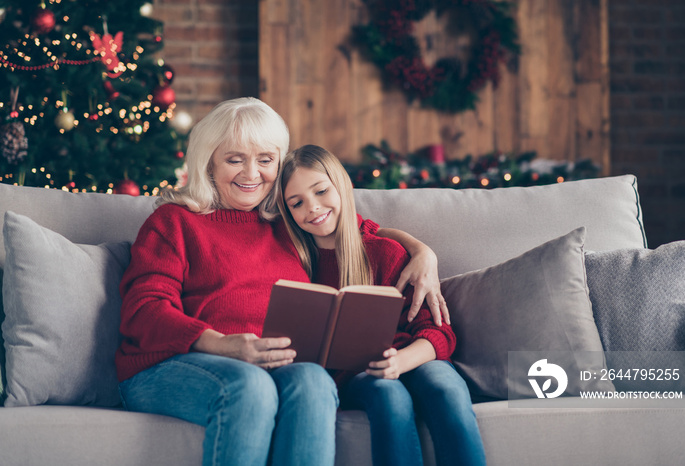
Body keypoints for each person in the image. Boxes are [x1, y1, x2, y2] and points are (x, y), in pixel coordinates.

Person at [116, 97, 449, 466]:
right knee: (250, 386)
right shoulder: (173, 222)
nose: (251, 173)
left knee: (315, 381)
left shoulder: (286, 223)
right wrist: (221, 344)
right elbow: (143, 310)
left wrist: (421, 252)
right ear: (208, 160)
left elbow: (350, 227)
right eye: (234, 159)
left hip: (275, 365)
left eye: (265, 159)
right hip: (174, 365)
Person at [277, 144, 487, 466]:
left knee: (445, 388)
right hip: (355, 375)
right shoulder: (294, 264)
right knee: (389, 397)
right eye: (297, 203)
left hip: (412, 357)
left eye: (321, 191)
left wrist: (400, 362)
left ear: (343, 185)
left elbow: (438, 332)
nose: (313, 207)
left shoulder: (385, 252)